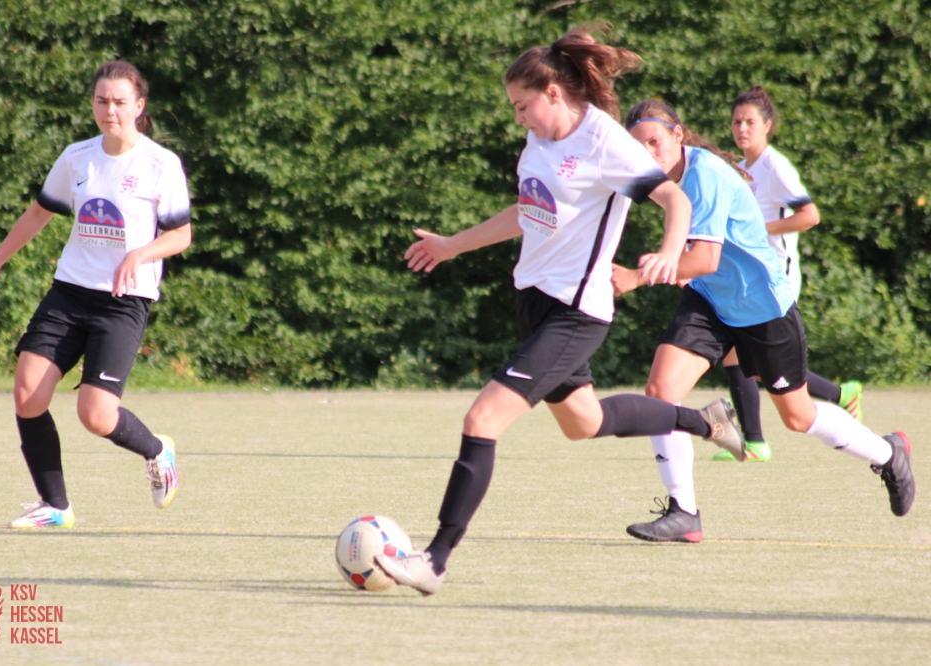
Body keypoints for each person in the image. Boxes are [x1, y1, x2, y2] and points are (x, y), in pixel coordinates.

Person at [373, 27, 746, 596]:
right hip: (534, 303)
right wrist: (452, 245)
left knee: (482, 420)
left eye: (522, 106)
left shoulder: (604, 141)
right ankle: (706, 422)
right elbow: (528, 211)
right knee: (584, 424)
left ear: (553, 92)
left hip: (577, 313)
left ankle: (435, 560)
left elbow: (674, 197)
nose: (519, 118)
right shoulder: (539, 143)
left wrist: (671, 252)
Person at [613, 99, 914, 542]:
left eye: (654, 142)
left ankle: (888, 453)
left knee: (798, 416)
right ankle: (684, 512)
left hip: (762, 308)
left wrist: (637, 276)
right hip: (711, 300)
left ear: (677, 134)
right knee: (662, 391)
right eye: (638, 146)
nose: (647, 153)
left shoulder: (706, 175)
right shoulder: (660, 177)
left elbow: (706, 258)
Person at [0, 60, 191, 528]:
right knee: (27, 393)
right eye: (102, 101)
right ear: (92, 103)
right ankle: (56, 507)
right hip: (69, 293)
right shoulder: (78, 156)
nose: (110, 110)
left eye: (120, 102)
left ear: (139, 106)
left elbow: (180, 235)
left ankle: (157, 450)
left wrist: (140, 254)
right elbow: (39, 213)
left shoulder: (160, 164)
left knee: (95, 415)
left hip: (124, 302)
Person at [714, 86, 862, 463]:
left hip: (775, 278)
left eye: (750, 122)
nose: (741, 128)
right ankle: (836, 396)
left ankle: (756, 442)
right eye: (736, 121)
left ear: (767, 125)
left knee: (746, 358)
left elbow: (809, 216)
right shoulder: (741, 168)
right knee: (748, 361)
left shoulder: (774, 167)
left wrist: (759, 231)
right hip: (750, 278)